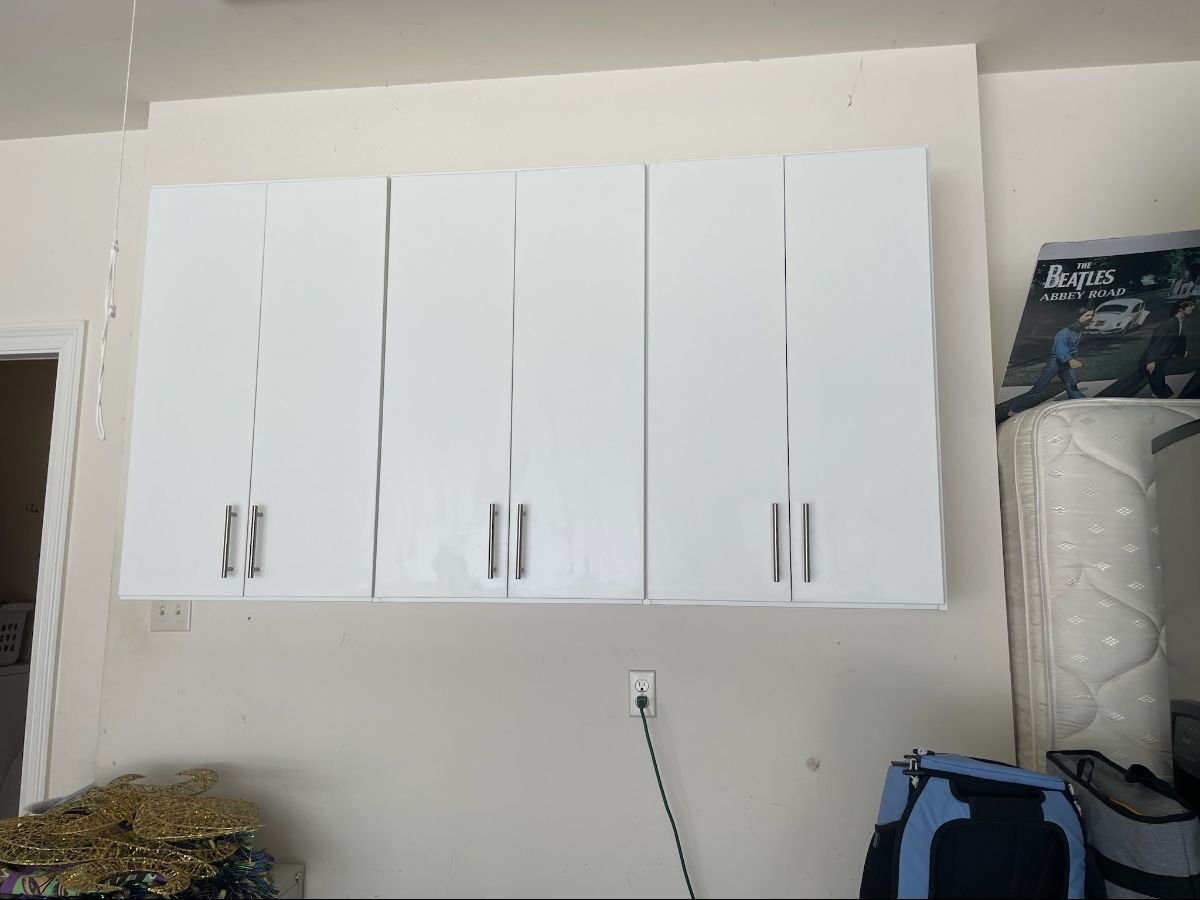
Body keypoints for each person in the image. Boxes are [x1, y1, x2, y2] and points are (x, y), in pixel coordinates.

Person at [1098, 298, 1194, 399]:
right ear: (1181, 309)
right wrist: (1151, 361)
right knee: (1154, 377)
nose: (1193, 307)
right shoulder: (1168, 323)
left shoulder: (1177, 321)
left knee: (1141, 377)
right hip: (1156, 357)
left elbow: (1178, 339)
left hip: (1161, 357)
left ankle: (1117, 394)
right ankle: (1163, 395)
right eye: (1190, 305)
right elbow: (1156, 342)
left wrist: (1181, 352)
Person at [1006, 308, 1094, 415]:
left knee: (1071, 384)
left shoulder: (1077, 331)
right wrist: (1070, 360)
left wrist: (1072, 357)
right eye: (1087, 315)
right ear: (1078, 316)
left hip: (1066, 362)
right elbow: (1060, 349)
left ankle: (1080, 401)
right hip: (1056, 363)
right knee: (1039, 387)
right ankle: (1016, 408)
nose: (1090, 318)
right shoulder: (1064, 333)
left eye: (1091, 315)